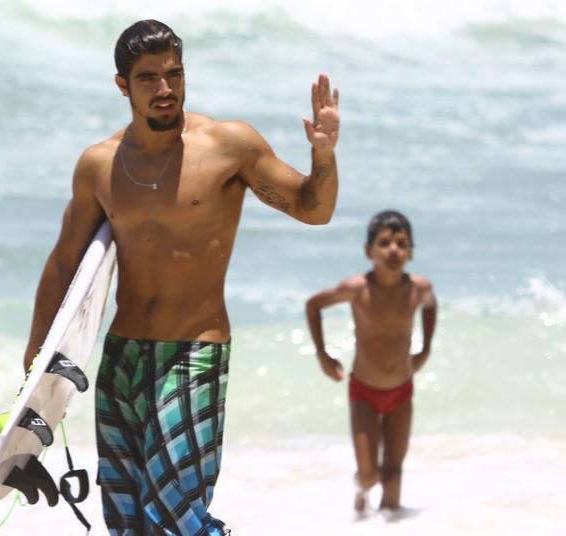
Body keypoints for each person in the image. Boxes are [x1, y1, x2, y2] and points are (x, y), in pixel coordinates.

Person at [23, 19, 340, 535]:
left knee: (172, 516)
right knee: (127, 522)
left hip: (195, 350)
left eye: (174, 74)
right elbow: (64, 262)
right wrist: (36, 365)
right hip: (123, 355)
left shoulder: (227, 145)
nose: (165, 89)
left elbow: (312, 208)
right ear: (122, 85)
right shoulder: (99, 165)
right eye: (148, 78)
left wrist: (323, 157)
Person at [305, 210, 437, 517]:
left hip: (402, 392)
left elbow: (430, 307)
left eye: (402, 244)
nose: (393, 250)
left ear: (411, 253)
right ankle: (361, 495)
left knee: (393, 474)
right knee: (369, 474)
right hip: (364, 391)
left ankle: (391, 522)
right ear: (369, 251)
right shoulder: (357, 288)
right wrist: (323, 355)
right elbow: (313, 305)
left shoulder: (419, 288)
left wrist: (426, 349)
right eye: (385, 243)